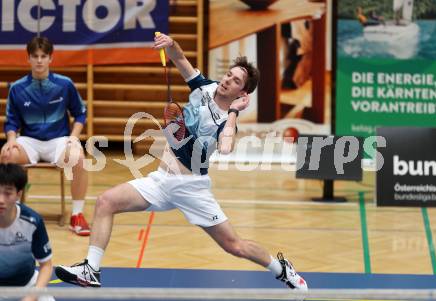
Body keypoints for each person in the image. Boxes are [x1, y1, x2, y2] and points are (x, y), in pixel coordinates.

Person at [55, 33, 308, 291]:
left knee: (235, 246)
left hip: (191, 187)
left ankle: (282, 270)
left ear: (242, 92)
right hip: (161, 181)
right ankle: (91, 269)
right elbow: (179, 57)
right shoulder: (203, 87)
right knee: (105, 201)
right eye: (229, 74)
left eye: (235, 81)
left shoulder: (226, 120)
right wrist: (170, 43)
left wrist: (233, 112)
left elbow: (227, 147)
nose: (227, 80)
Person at [0, 36, 90, 236]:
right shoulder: (17, 88)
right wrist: (11, 139)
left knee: (79, 157)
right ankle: (8, 213)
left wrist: (74, 137)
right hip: (29, 141)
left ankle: (77, 215)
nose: (39, 60)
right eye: (35, 56)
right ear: (28, 59)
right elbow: (11, 120)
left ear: (51, 59)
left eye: (43, 56)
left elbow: (81, 113)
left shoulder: (65, 85)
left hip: (58, 140)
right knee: (6, 155)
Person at [0, 163, 54, 301]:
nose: (1, 200)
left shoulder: (32, 221)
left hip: (27, 284)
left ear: (18, 194)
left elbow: (46, 266)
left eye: (7, 193)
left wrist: (31, 297)